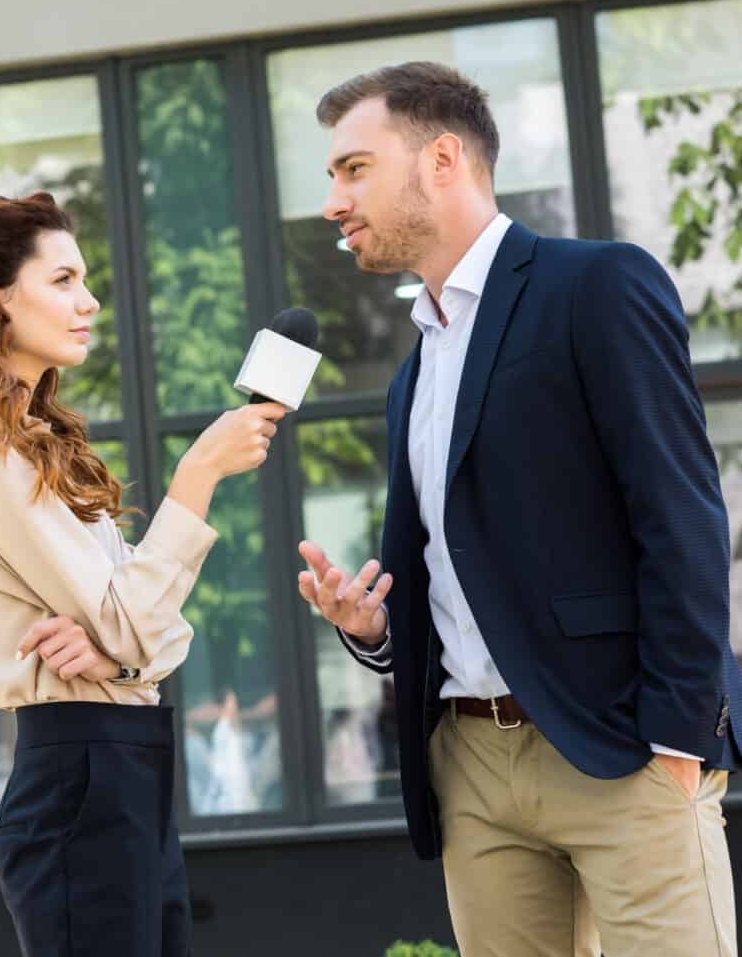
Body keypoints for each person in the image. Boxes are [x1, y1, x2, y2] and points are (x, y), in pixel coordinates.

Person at [295, 61, 741, 957]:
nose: (334, 202)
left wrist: (679, 736)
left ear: (443, 158)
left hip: (623, 747)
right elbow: (451, 571)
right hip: (471, 766)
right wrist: (372, 629)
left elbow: (681, 514)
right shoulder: (412, 374)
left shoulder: (597, 285)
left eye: (354, 169)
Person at [0, 192, 285, 957]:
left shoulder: (24, 446)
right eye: (63, 279)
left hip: (117, 761)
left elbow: (146, 632)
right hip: (81, 767)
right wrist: (198, 470)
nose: (89, 300)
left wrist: (121, 658)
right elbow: (139, 617)